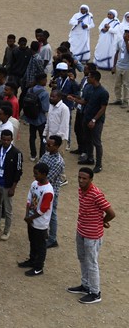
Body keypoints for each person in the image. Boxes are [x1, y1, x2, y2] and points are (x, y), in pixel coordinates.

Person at [68, 167, 115, 304]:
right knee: (82, 258)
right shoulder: (80, 190)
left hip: (92, 235)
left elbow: (111, 213)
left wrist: (102, 222)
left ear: (91, 180)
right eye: (79, 178)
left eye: (84, 178)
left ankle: (95, 292)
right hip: (81, 230)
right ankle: (85, 285)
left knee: (92, 262)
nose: (81, 181)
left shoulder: (96, 194)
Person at [68, 70, 108, 173]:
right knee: (87, 138)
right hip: (86, 117)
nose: (87, 78)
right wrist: (74, 99)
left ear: (94, 78)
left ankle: (98, 164)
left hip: (96, 120)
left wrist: (94, 120)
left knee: (97, 142)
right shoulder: (89, 88)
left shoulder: (103, 92)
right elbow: (85, 101)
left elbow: (103, 108)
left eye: (89, 77)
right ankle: (90, 158)